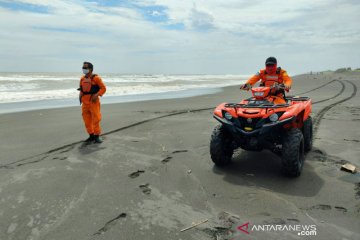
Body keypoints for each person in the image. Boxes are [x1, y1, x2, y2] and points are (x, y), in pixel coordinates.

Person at [78, 62, 106, 143]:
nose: (83, 69)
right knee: (86, 120)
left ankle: (97, 136)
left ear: (90, 69)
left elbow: (103, 88)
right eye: (83, 67)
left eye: (85, 67)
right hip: (85, 103)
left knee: (96, 119)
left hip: (93, 102)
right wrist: (80, 96)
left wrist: (97, 94)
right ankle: (91, 135)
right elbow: (82, 89)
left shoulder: (96, 78)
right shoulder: (82, 79)